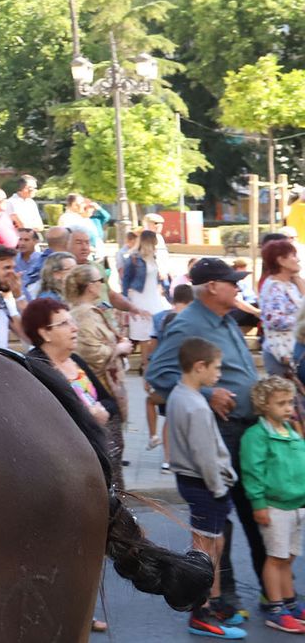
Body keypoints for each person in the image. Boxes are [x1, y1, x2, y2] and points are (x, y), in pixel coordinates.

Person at [148, 259, 266, 624]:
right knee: (221, 519)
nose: (238, 288)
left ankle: (272, 590)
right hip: (221, 430)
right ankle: (222, 597)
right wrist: (210, 393)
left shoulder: (227, 318)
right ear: (212, 286)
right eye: (233, 283)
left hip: (248, 427)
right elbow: (158, 373)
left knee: (255, 509)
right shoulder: (188, 323)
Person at [165, 336, 249, 640]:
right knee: (205, 549)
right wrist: (218, 488)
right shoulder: (196, 406)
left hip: (191, 481)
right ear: (199, 367)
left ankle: (210, 603)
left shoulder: (179, 394)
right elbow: (205, 456)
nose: (218, 375)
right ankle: (200, 612)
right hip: (205, 484)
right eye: (216, 368)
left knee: (212, 544)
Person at [23, 296, 121, 490]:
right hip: (70, 468)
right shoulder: (36, 370)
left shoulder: (75, 360)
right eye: (65, 323)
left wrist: (102, 412)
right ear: (45, 333)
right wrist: (89, 418)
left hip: (99, 454)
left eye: (72, 322)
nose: (74, 328)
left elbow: (109, 402)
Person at [241, 375, 305, 633]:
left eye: (290, 402)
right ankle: (275, 608)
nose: (289, 408)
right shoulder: (256, 436)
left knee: (288, 557)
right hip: (275, 506)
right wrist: (258, 504)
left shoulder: (290, 431)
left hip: (296, 504)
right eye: (281, 403)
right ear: (264, 405)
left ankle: (290, 603)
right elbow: (252, 472)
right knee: (276, 558)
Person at [64, 264, 130, 486]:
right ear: (90, 286)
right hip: (99, 395)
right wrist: (118, 350)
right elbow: (91, 354)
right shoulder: (83, 314)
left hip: (103, 392)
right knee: (111, 459)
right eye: (99, 281)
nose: (102, 285)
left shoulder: (89, 311)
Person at [150, 283, 198, 457]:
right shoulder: (189, 319)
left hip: (165, 372)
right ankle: (172, 456)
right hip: (181, 371)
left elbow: (152, 346)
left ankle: (167, 457)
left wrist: (147, 368)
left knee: (171, 416)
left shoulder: (159, 318)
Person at [259, 238, 305, 377]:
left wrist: (297, 278)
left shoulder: (289, 285)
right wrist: (300, 321)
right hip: (284, 354)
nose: (297, 260)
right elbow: (274, 320)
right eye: (293, 256)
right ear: (281, 261)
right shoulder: (275, 287)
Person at [120, 229, 172, 345]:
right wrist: (125, 301)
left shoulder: (155, 257)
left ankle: (149, 358)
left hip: (154, 295)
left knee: (157, 324)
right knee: (143, 331)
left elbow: (159, 278)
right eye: (154, 242)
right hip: (139, 296)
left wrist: (166, 292)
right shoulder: (133, 259)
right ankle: (144, 361)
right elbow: (126, 280)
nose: (156, 246)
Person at [14, 227, 46, 294]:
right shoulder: (13, 260)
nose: (22, 243)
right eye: (20, 239)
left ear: (36, 241)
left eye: (26, 240)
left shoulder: (43, 260)